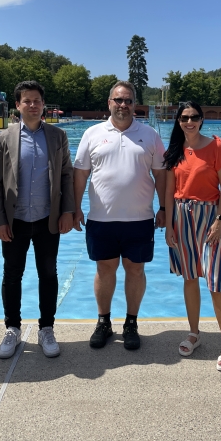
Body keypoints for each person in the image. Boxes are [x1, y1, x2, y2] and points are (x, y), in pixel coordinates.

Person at [73, 81, 166, 350]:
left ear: (134, 104)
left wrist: (163, 208)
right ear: (109, 103)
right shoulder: (92, 133)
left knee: (135, 270)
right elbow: (81, 174)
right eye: (118, 100)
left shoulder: (149, 135)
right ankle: (103, 322)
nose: (122, 105)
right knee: (104, 269)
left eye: (127, 100)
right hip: (102, 219)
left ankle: (131, 323)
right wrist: (76, 207)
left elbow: (161, 174)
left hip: (139, 219)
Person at [0, 81, 75, 359]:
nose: (33, 105)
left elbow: (66, 175)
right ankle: (12, 328)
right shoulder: (4, 138)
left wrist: (67, 212)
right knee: (12, 275)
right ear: (18, 105)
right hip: (15, 219)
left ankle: (46, 328)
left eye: (37, 100)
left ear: (43, 104)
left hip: (47, 218)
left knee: (48, 274)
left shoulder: (57, 136)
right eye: (27, 101)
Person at [163, 102, 221, 371]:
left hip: (209, 218)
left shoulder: (215, 146)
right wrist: (169, 225)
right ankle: (194, 333)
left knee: (215, 281)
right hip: (181, 217)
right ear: (178, 121)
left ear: (202, 119)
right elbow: (170, 191)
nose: (189, 121)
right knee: (190, 277)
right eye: (184, 117)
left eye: (194, 117)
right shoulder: (175, 150)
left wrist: (220, 219)